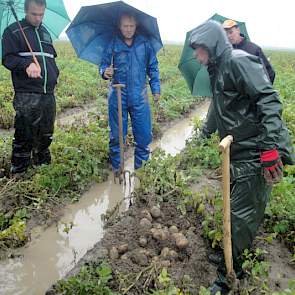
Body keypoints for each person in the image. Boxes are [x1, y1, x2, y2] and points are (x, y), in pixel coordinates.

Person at [189, 20, 294, 295]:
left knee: (241, 214)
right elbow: (219, 106)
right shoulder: (217, 68)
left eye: (198, 49)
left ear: (210, 45)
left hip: (258, 149)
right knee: (238, 206)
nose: (196, 56)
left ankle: (228, 275)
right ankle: (234, 251)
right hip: (240, 149)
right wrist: (205, 133)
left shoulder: (238, 61)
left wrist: (270, 150)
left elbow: (269, 100)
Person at [2, 0, 59, 176]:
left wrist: (54, 73)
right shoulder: (13, 31)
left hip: (48, 92)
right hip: (27, 92)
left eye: (41, 14)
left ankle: (42, 166)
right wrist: (26, 64)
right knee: (25, 133)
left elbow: (50, 57)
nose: (38, 18)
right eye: (34, 14)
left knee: (46, 131)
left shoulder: (45, 33)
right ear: (26, 11)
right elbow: (7, 58)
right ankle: (20, 172)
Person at [100, 13, 160, 174]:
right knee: (117, 136)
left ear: (136, 26)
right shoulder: (112, 43)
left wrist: (156, 89)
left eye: (131, 26)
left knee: (143, 135)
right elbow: (104, 65)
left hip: (139, 96)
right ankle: (117, 170)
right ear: (119, 26)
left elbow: (153, 67)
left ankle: (141, 172)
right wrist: (105, 72)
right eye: (125, 26)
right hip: (118, 95)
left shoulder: (145, 44)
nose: (128, 29)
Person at [200, 19, 276, 139]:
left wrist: (255, 93)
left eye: (231, 32)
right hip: (230, 97)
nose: (229, 36)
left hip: (248, 98)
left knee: (250, 125)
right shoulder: (223, 53)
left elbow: (269, 74)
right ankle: (205, 138)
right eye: (225, 34)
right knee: (217, 109)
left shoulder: (253, 49)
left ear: (238, 30)